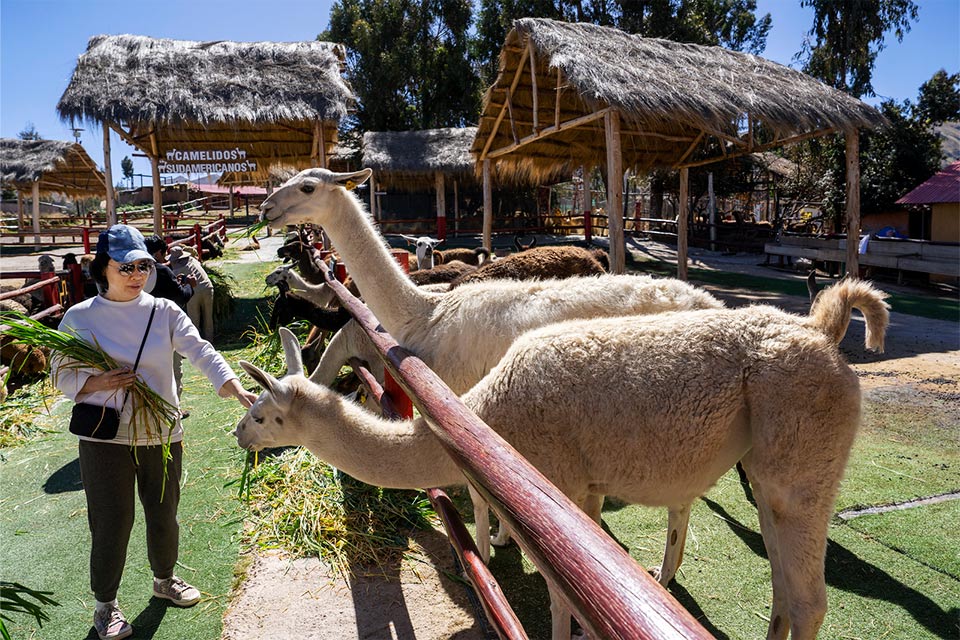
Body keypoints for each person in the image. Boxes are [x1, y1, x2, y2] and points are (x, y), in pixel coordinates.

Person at [51, 224, 257, 640]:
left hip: (161, 431)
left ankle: (164, 580)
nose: (137, 275)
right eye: (126, 267)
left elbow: (199, 349)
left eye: (143, 265)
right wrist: (96, 383)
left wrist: (232, 385)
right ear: (103, 269)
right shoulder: (80, 316)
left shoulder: (164, 311)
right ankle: (105, 604)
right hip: (104, 436)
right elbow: (59, 371)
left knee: (164, 512)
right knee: (111, 520)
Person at [144, 235, 196, 402]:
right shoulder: (161, 271)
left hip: (139, 329)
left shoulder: (134, 271)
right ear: (159, 252)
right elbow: (180, 297)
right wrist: (189, 285)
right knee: (173, 371)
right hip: (165, 329)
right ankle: (174, 410)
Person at [167, 245, 215, 340]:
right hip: (208, 287)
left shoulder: (177, 269)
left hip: (194, 291)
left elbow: (177, 283)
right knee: (208, 317)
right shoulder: (193, 260)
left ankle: (195, 342)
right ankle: (210, 339)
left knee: (194, 319)